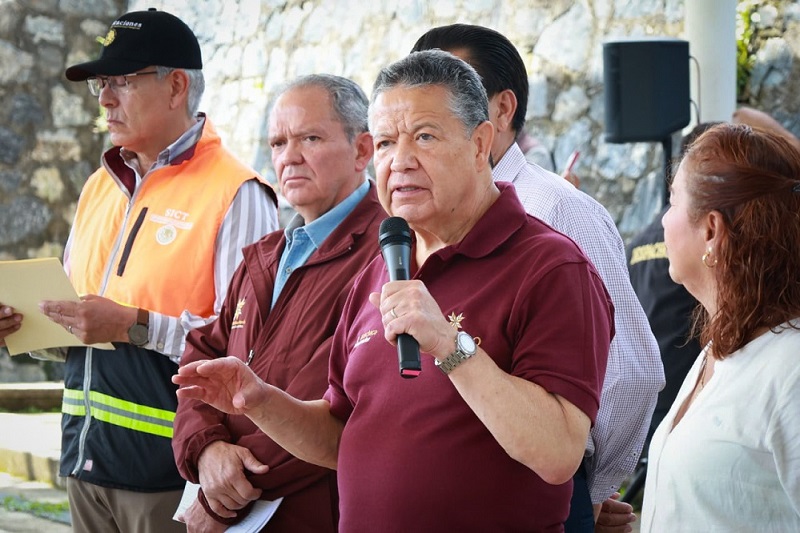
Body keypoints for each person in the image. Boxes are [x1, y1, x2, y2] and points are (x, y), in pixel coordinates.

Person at [174, 49, 614, 531]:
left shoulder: (551, 267)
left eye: (424, 137)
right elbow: (340, 436)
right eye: (385, 143)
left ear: (480, 143)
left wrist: (449, 345)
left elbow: (557, 454)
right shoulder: (382, 268)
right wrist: (260, 401)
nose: (400, 161)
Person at [411, 24, 664, 531]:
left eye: (453, 90)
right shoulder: (413, 225)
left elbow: (633, 370)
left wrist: (589, 491)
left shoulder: (560, 212)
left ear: (501, 112)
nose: (428, 110)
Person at [36, 9, 278, 533]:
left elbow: (251, 347)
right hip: (83, 465)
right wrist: (32, 324)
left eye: (121, 81)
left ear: (175, 87)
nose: (103, 98)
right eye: (102, 83)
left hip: (171, 480)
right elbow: (84, 322)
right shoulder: (99, 186)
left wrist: (133, 324)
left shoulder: (237, 194)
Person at [171, 74, 384, 532]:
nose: (289, 157)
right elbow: (201, 359)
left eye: (310, 138)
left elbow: (336, 409)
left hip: (317, 512)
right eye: (278, 142)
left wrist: (219, 499)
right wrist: (206, 448)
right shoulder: (266, 253)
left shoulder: (386, 255)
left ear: (362, 150)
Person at [640, 123, 800, 530]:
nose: (663, 220)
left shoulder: (790, 368)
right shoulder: (721, 347)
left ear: (711, 230)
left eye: (672, 202)